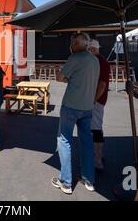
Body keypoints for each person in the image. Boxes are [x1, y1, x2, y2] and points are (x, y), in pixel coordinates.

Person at [52, 33, 99, 195]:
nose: (70, 45)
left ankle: (66, 182)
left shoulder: (75, 58)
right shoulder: (94, 60)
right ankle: (89, 180)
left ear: (77, 43)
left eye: (72, 42)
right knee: (86, 142)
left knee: (64, 140)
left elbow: (60, 77)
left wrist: (60, 72)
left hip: (71, 106)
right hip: (88, 107)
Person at [87, 39, 110, 171]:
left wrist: (93, 100)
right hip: (96, 100)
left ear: (93, 49)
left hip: (96, 101)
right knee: (95, 128)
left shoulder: (100, 62)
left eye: (89, 49)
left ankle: (97, 160)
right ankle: (97, 156)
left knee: (95, 129)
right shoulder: (97, 60)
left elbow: (102, 85)